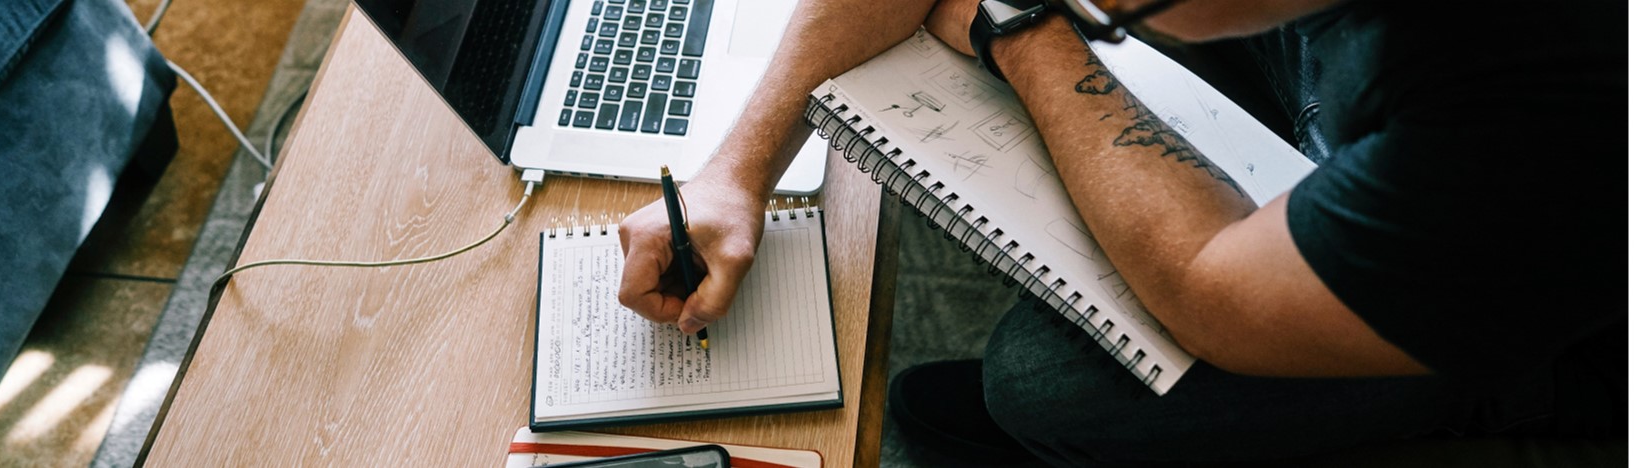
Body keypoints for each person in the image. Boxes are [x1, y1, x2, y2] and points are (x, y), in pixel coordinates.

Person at [615, 0, 1627, 464]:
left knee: (1049, 388)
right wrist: (735, 171)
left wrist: (1026, 28)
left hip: (1549, 292)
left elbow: (1211, 286)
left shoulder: (1544, 110)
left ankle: (1506, 398)